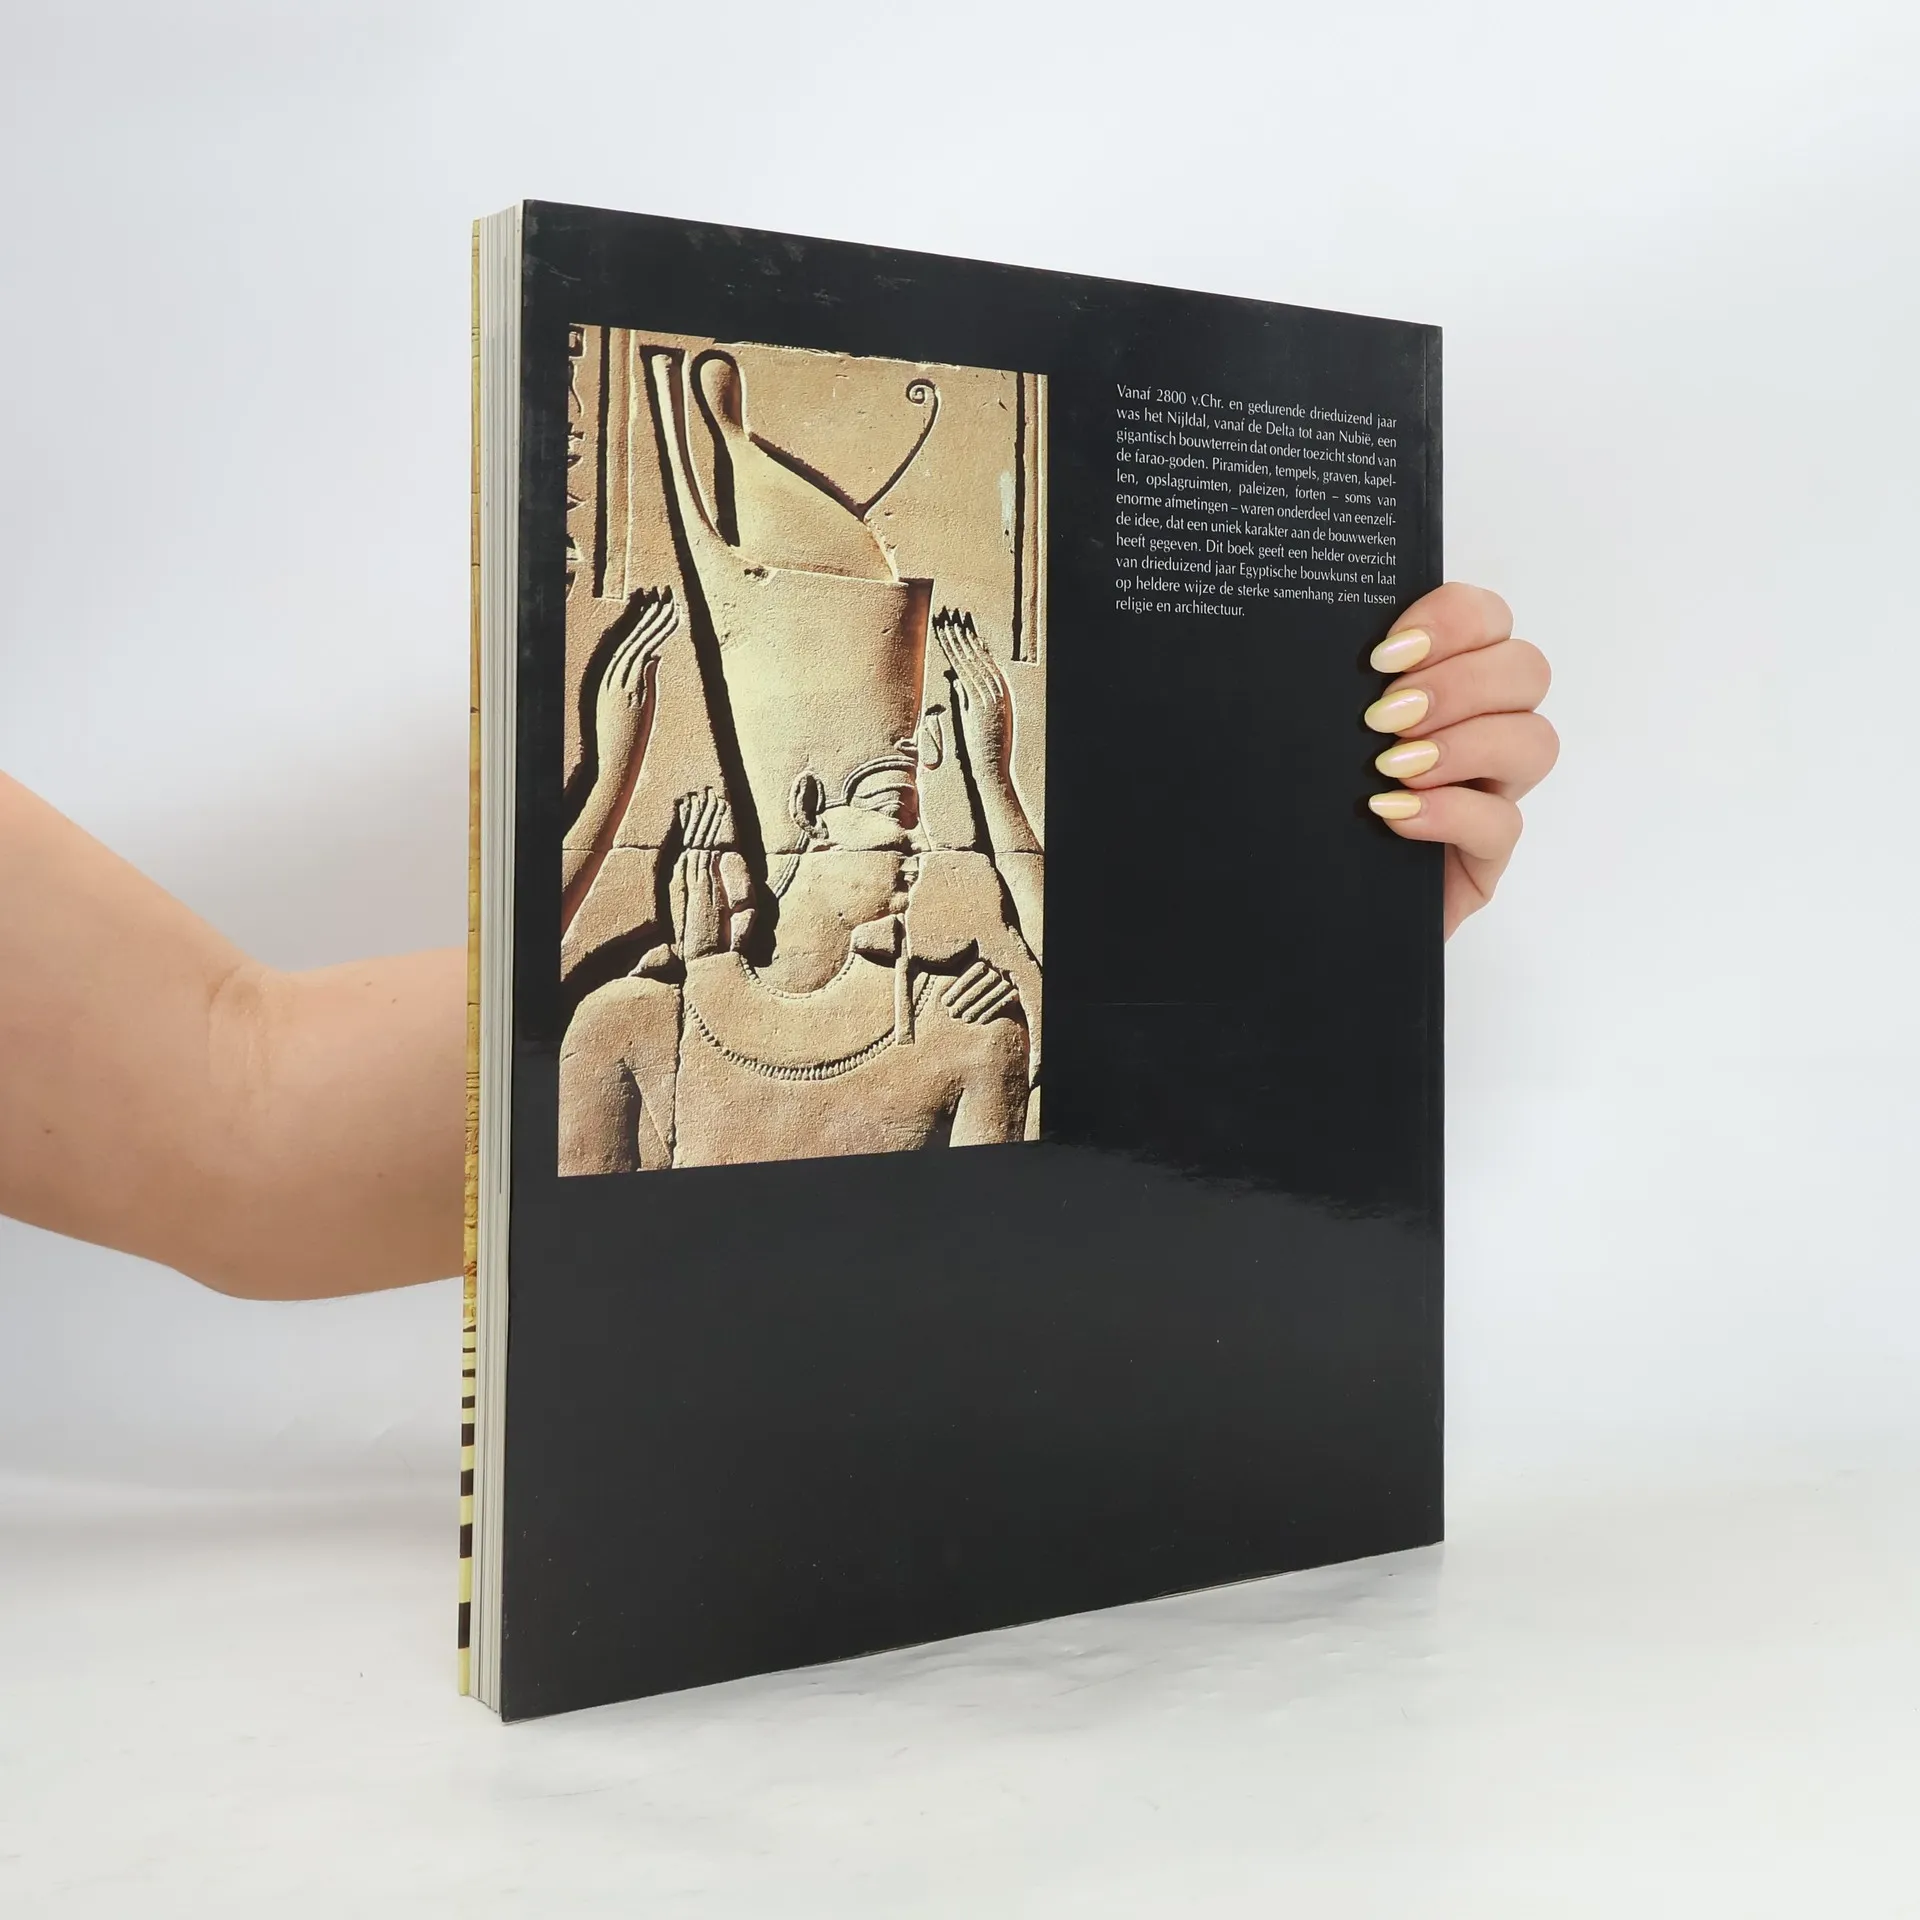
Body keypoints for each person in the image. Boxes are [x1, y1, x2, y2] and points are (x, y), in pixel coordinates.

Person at [0, 581, 1554, 1300]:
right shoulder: (631, 1026)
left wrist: (1261, 945)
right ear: (801, 820)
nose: (916, 848)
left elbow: (243, 1112)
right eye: (889, 810)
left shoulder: (966, 1027)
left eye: (927, 807)